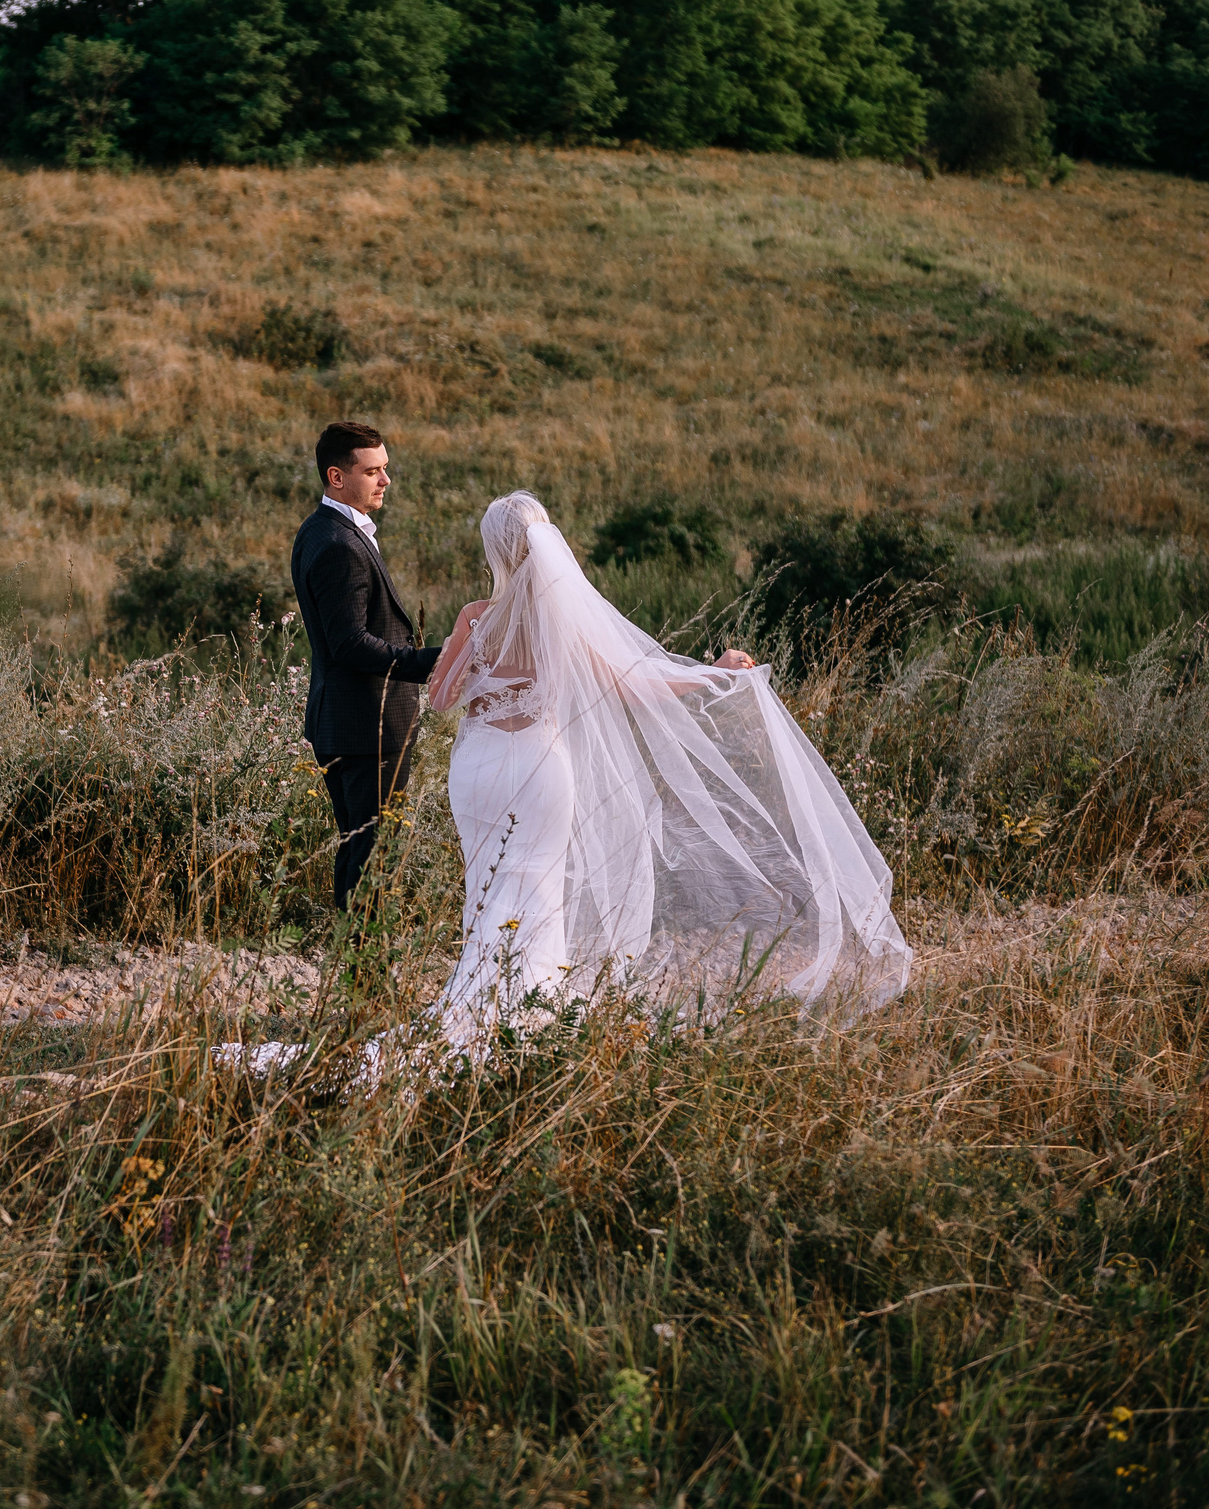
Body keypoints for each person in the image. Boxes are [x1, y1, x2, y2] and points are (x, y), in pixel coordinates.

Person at [221, 491, 911, 1081]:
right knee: (537, 885)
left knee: (488, 884)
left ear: (496, 548)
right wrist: (718, 672)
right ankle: (528, 1009)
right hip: (539, 767)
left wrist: (477, 670)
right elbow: (640, 684)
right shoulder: (559, 621)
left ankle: (481, 998)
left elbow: (440, 699)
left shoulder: (474, 617)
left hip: (480, 770)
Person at [289, 420, 440, 914]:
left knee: (360, 849)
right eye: (373, 471)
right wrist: (429, 662)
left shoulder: (325, 530)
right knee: (372, 857)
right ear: (337, 476)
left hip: (349, 723)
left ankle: (353, 960)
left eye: (386, 469)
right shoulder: (337, 544)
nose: (385, 481)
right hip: (365, 728)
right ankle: (361, 969)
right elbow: (350, 643)